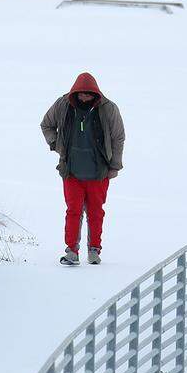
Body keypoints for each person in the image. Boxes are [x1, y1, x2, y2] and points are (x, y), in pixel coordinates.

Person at [40, 72, 125, 266]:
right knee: (73, 211)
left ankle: (94, 250)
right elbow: (46, 125)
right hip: (71, 171)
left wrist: (115, 166)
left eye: (88, 93)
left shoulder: (109, 109)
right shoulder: (63, 105)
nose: (85, 97)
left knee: (96, 212)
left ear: (95, 93)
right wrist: (56, 145)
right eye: (81, 93)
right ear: (75, 93)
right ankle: (71, 251)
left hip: (99, 172)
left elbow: (118, 138)